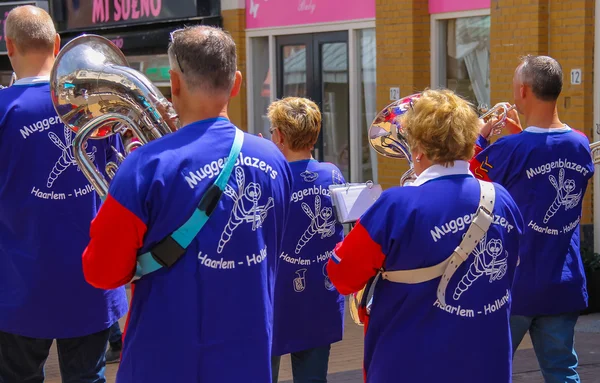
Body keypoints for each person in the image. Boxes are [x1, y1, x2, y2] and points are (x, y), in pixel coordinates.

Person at [81, 25, 293, 383]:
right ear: (237, 82)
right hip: (248, 361)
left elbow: (101, 272)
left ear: (174, 84)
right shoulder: (274, 160)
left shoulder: (144, 166)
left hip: (161, 362)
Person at [326, 89, 524, 383]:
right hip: (487, 364)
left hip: (411, 365)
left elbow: (340, 275)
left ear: (418, 148)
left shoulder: (396, 206)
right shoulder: (503, 200)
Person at [0, 5, 128, 383]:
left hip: (19, 284)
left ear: (9, 46)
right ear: (58, 44)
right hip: (91, 280)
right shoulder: (98, 106)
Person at [471, 55, 594, 383]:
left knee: (490, 370)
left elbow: (467, 178)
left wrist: (481, 138)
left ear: (523, 91)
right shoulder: (581, 143)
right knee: (562, 372)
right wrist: (522, 134)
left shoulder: (511, 148)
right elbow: (543, 160)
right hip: (563, 282)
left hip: (514, 284)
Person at [267, 97, 345, 383]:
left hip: (275, 297)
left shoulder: (270, 177)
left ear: (281, 137)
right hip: (319, 295)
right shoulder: (332, 173)